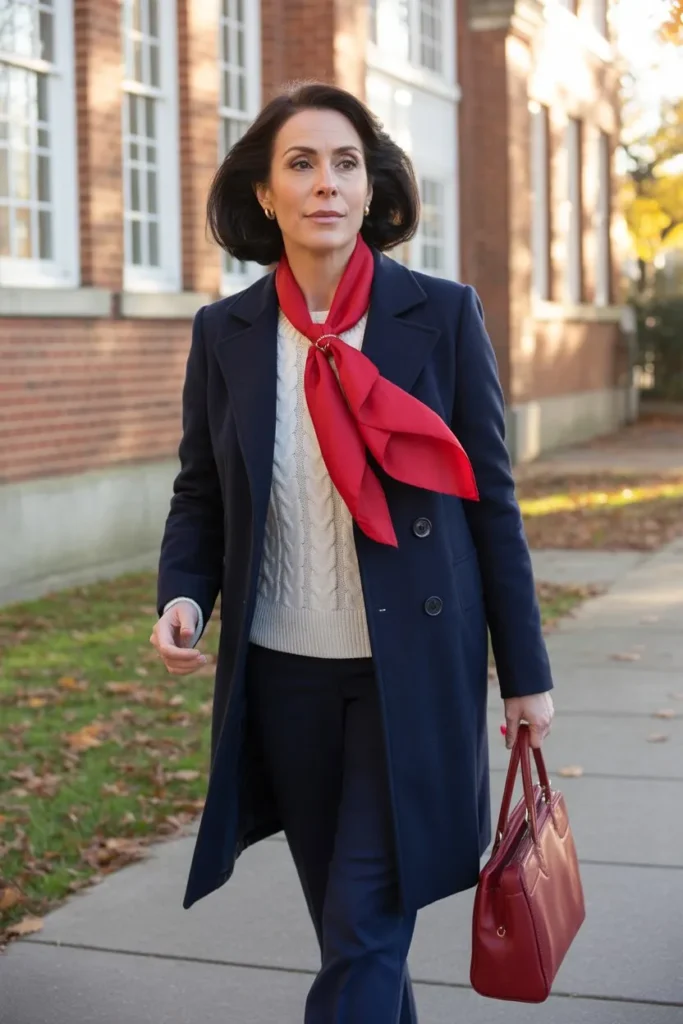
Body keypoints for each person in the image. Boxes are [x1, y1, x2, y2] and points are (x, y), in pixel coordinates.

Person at [150, 81, 554, 1024]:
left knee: (367, 929)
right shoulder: (227, 335)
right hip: (283, 676)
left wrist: (524, 674)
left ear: (372, 189)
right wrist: (185, 596)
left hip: (406, 678)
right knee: (353, 933)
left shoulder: (442, 316)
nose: (325, 182)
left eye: (345, 163)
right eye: (300, 163)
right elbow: (200, 491)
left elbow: (493, 507)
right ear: (265, 193)